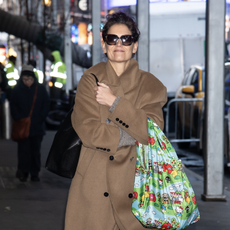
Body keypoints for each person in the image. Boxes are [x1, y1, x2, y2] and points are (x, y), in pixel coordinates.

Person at [64, 12, 167, 230]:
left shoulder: (151, 86)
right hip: (93, 186)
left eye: (126, 39)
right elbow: (90, 132)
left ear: (135, 45)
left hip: (138, 190)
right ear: (104, 45)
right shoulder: (90, 80)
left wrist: (114, 102)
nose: (119, 44)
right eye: (112, 39)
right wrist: (133, 134)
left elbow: (153, 131)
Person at [10, 64, 50, 182]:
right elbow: (13, 105)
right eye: (25, 79)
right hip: (23, 126)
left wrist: (41, 117)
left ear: (34, 79)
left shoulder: (40, 89)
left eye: (30, 79)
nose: (27, 82)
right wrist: (18, 117)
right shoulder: (17, 90)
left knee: (35, 151)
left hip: (37, 126)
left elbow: (46, 104)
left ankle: (34, 173)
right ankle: (23, 172)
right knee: (23, 151)